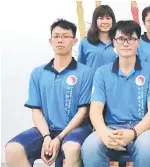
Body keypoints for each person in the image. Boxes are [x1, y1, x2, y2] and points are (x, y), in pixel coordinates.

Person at [5, 19, 93, 167]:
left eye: (65, 36)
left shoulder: (85, 72)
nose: (60, 40)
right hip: (46, 129)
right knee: (13, 149)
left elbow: (83, 111)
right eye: (56, 36)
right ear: (50, 40)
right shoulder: (38, 73)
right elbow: (36, 110)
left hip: (76, 129)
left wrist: (59, 138)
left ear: (75, 41)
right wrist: (46, 136)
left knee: (71, 148)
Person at [81, 20, 150, 167]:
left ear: (138, 42)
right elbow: (95, 110)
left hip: (145, 128)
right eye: (121, 39)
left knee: (145, 148)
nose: (126, 43)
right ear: (114, 42)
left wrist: (133, 133)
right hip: (112, 127)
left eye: (131, 39)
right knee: (90, 147)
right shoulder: (102, 73)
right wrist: (104, 133)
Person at [78, 5, 118, 69]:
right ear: (95, 20)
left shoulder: (119, 42)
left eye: (108, 18)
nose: (105, 22)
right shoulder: (85, 42)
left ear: (112, 20)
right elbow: (80, 68)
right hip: (91, 79)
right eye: (101, 18)